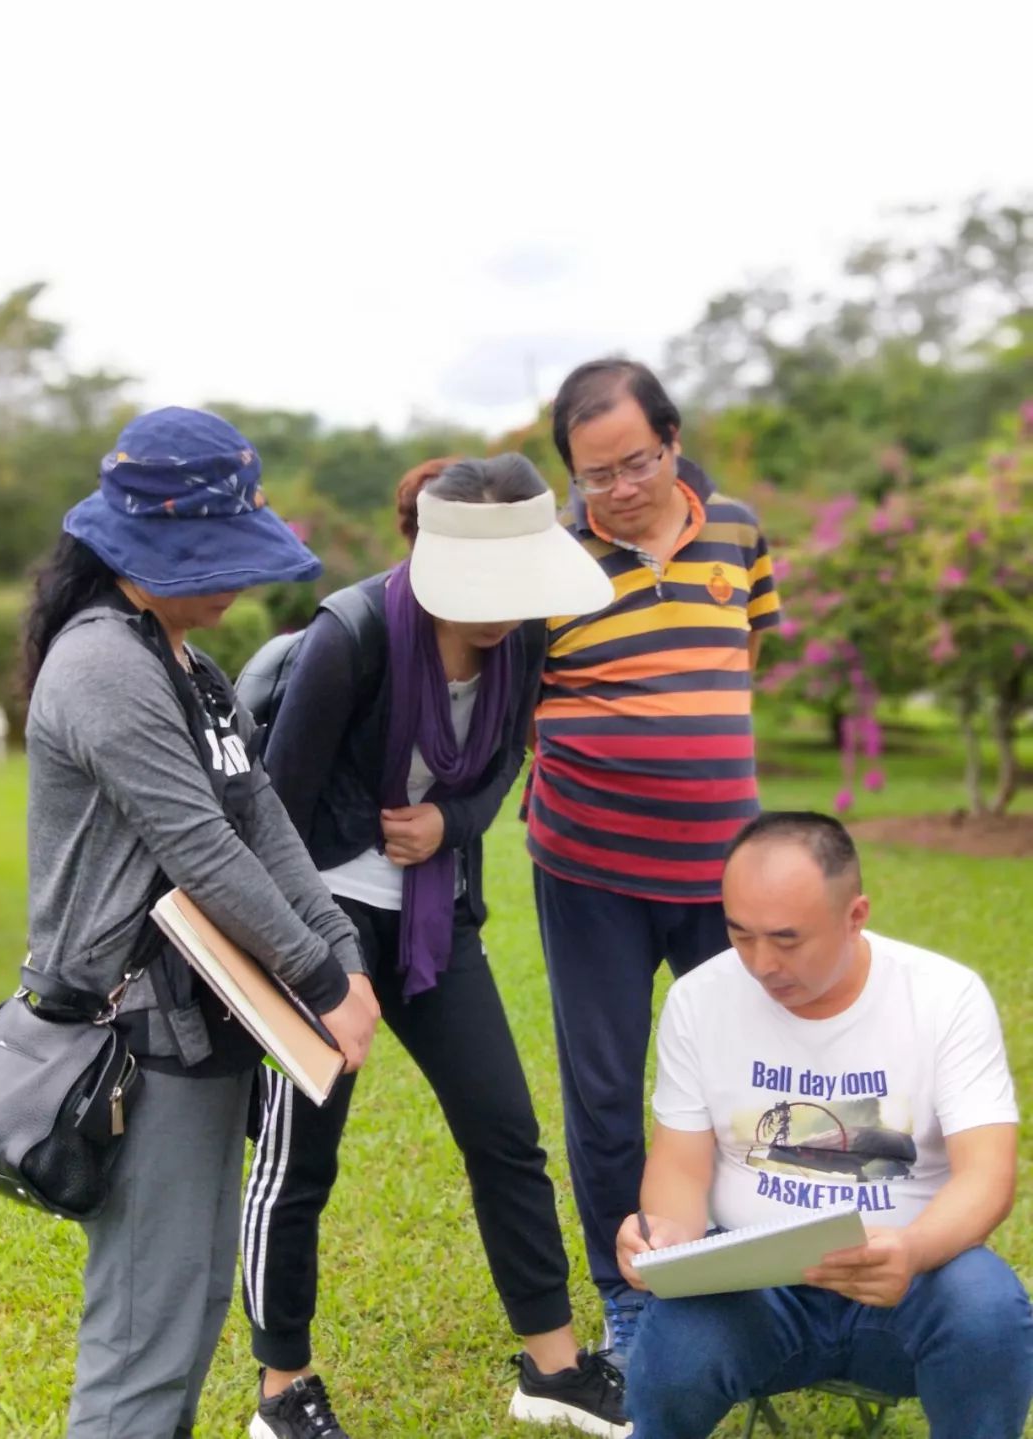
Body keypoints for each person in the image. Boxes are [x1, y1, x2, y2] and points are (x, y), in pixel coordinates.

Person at [240, 454, 629, 1439]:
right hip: (320, 917)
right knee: (299, 1159)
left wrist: (450, 822)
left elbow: (506, 760)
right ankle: (282, 1388)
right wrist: (313, 960)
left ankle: (554, 1370)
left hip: (433, 913)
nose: (500, 613)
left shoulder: (523, 638)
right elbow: (274, 814)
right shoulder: (352, 635)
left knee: (505, 1132)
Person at [22, 407, 379, 1439]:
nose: (238, 581)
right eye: (215, 555)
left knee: (187, 1305)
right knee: (144, 1339)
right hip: (134, 1038)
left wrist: (342, 952)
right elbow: (202, 849)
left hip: (200, 1023)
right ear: (144, 548)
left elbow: (261, 817)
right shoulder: (104, 666)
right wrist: (320, 981)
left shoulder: (188, 665)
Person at [615, 811, 1033, 1439]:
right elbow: (680, 1165)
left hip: (912, 1278)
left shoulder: (943, 997)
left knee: (987, 1312)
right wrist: (666, 1236)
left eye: (788, 940)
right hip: (756, 1286)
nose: (762, 963)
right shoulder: (700, 1000)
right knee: (673, 1354)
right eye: (740, 934)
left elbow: (987, 1176)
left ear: (854, 916)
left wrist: (913, 1251)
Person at [525, 357, 782, 1362]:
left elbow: (743, 659)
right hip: (590, 871)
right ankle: (627, 1291)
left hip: (726, 872)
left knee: (750, 1075)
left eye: (635, 462)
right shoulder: (550, 564)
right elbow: (511, 705)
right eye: (595, 474)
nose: (620, 488)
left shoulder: (739, 533)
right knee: (604, 1089)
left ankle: (752, 1265)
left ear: (672, 441)